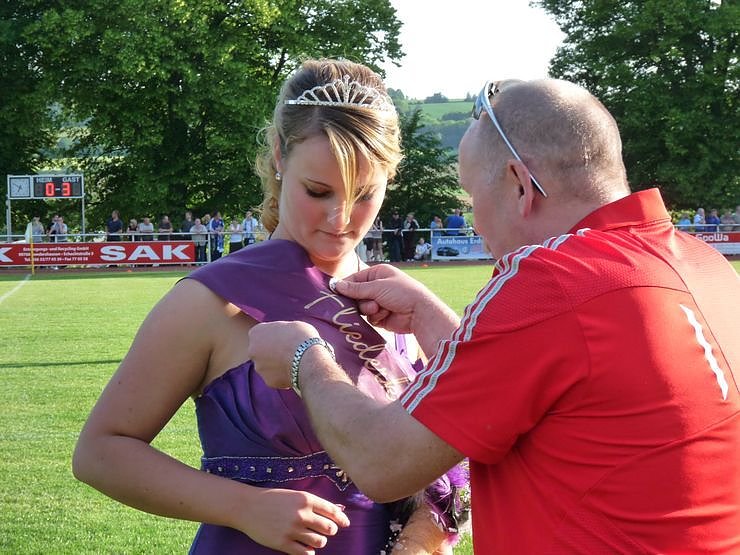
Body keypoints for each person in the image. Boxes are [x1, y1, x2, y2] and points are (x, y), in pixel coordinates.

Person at [247, 78, 740, 554]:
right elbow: (547, 388)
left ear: (520, 185)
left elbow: (383, 462)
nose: (475, 220)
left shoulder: (552, 282)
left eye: (470, 195)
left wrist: (305, 359)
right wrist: (429, 317)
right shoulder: (705, 265)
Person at [72, 58, 467, 555]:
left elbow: (460, 453)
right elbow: (100, 451)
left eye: (365, 194)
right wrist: (243, 506)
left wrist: (427, 533)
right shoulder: (211, 300)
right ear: (280, 155)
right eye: (318, 191)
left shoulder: (401, 306)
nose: (340, 218)